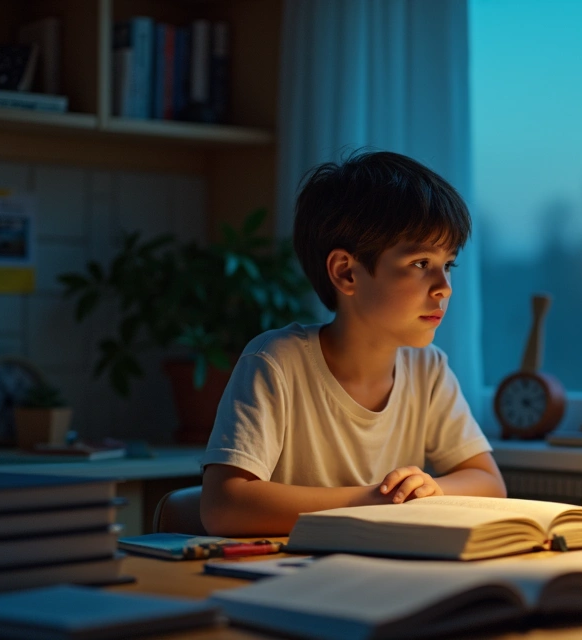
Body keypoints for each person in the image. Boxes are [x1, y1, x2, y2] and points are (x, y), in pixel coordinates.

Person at [200, 151, 506, 536]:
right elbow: (223, 506)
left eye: (448, 265)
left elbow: (489, 483)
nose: (444, 287)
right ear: (346, 272)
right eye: (420, 264)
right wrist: (372, 501)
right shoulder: (276, 361)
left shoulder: (428, 369)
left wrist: (432, 489)